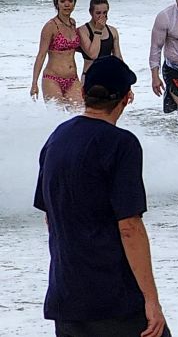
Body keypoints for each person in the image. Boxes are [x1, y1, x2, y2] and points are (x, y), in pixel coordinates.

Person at [34, 56, 170, 337]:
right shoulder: (122, 144)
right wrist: (151, 300)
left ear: (83, 92)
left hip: (67, 298)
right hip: (115, 301)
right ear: (127, 98)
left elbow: (50, 217)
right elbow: (129, 227)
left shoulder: (57, 138)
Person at [30, 0, 92, 105]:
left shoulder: (72, 23)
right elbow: (41, 55)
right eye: (63, 1)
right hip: (52, 79)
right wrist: (34, 83)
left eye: (70, 1)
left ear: (74, 3)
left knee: (78, 115)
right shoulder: (50, 26)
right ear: (57, 4)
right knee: (57, 117)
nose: (67, 4)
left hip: (73, 80)